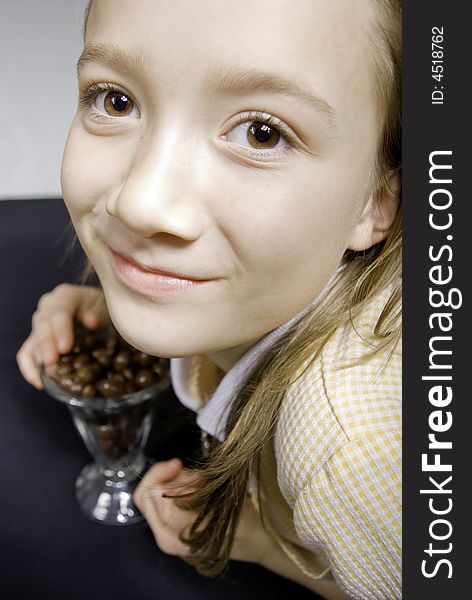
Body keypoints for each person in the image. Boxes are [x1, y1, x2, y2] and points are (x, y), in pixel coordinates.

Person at [17, 0, 402, 598]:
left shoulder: (350, 457)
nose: (141, 202)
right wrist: (116, 303)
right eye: (116, 100)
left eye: (261, 132)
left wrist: (261, 543)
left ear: (380, 200)